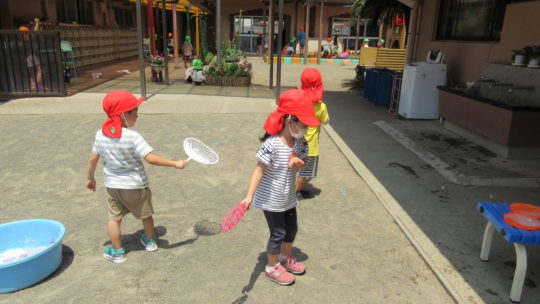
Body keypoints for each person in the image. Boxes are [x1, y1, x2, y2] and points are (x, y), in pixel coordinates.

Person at [86, 90, 187, 263]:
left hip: (113, 186)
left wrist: (90, 178)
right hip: (136, 186)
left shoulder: (100, 134)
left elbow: (93, 158)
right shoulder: (133, 137)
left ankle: (118, 252)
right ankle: (150, 242)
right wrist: (174, 163)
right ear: (123, 115)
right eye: (135, 111)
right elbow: (151, 158)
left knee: (113, 220)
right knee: (145, 215)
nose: (137, 115)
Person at [241, 89, 320, 286]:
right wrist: (248, 196)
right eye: (304, 123)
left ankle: (284, 257)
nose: (307, 128)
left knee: (291, 230)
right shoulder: (272, 145)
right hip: (271, 199)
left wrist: (298, 162)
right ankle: (271, 267)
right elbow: (259, 170)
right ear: (289, 119)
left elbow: (304, 163)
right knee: (278, 233)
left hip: (288, 197)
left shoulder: (301, 144)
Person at [296, 69, 329, 199]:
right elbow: (325, 121)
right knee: (305, 173)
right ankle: (294, 194)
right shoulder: (321, 107)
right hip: (311, 147)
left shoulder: (298, 102)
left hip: (296, 143)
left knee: (295, 169)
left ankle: (293, 190)